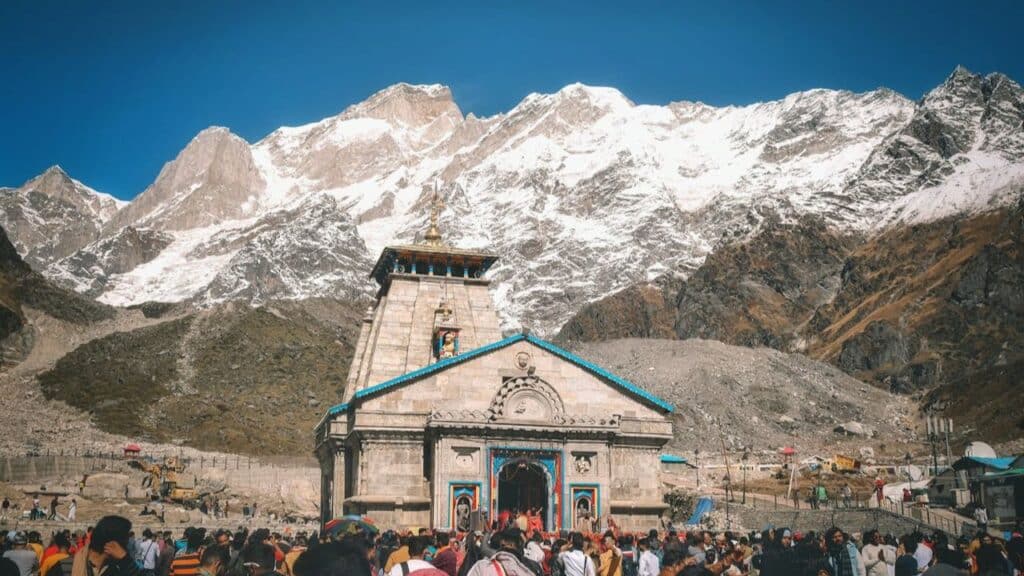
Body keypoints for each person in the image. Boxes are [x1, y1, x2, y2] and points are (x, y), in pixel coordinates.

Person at [73, 515, 140, 576]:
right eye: (124, 544)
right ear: (112, 544)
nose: (126, 550)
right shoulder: (67, 565)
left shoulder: (118, 570)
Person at [466, 528, 538, 576]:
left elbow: (484, 549)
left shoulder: (482, 567)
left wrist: (488, 533)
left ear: (503, 543)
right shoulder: (532, 567)